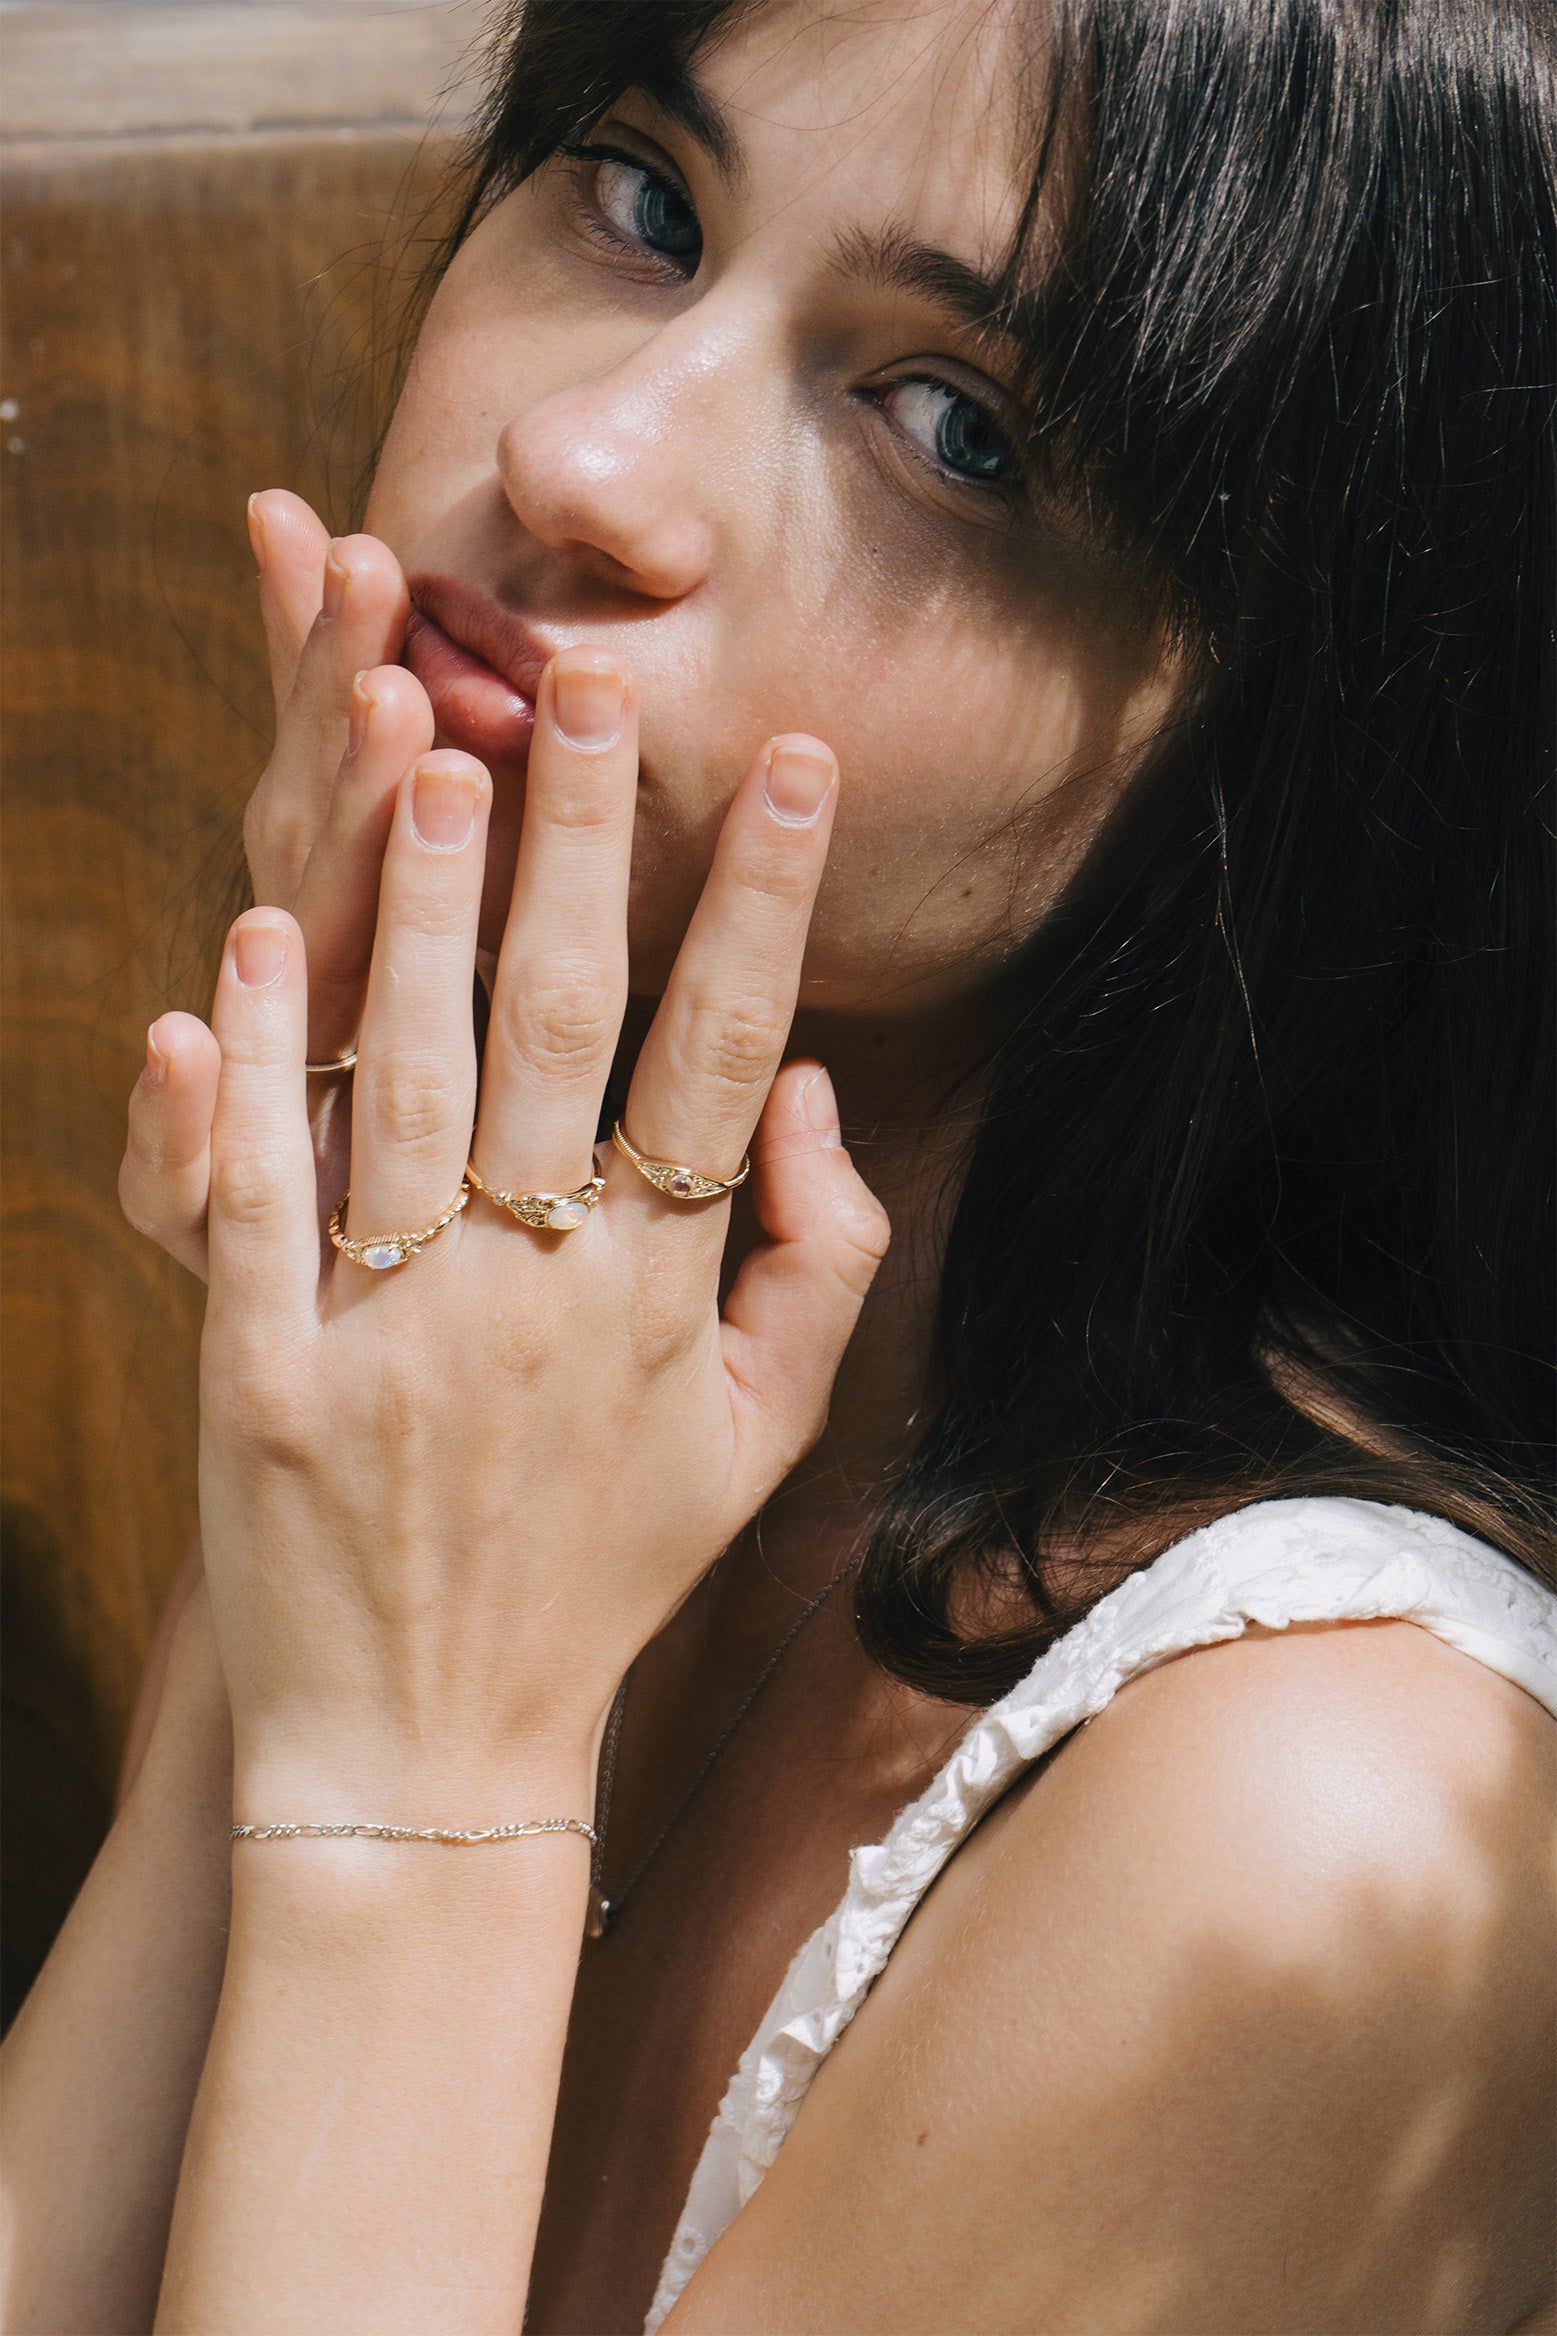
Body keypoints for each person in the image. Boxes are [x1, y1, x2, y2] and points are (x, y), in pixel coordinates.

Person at [3, 0, 1554, 2327]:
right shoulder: (540, 1384)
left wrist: (418, 1782)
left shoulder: (1308, 1798)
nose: (581, 453)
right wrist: (323, 1368)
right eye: (638, 198)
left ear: (1305, 719)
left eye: (953, 426)